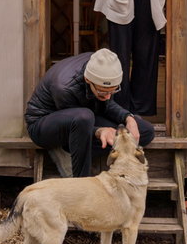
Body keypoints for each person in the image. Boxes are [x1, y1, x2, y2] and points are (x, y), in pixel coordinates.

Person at [25, 48, 155, 178]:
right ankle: (81, 180)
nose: (108, 97)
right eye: (103, 92)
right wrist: (99, 131)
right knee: (84, 117)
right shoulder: (64, 87)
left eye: (113, 91)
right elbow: (77, 123)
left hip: (84, 117)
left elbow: (107, 105)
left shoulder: (102, 64)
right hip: (45, 124)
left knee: (144, 131)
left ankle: (71, 149)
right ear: (88, 80)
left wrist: (128, 118)